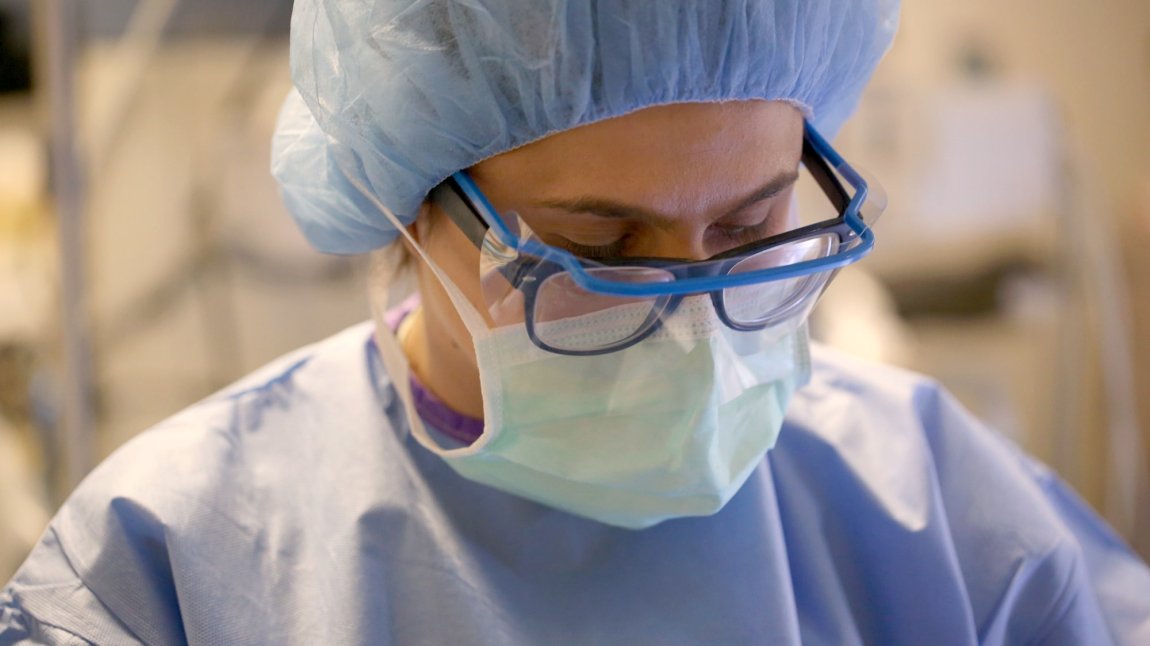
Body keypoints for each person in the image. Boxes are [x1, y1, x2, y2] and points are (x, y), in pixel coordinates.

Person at [3, 0, 1150, 643]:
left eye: (753, 228)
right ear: (404, 204)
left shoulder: (938, 517)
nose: (694, 326)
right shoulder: (171, 570)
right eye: (596, 252)